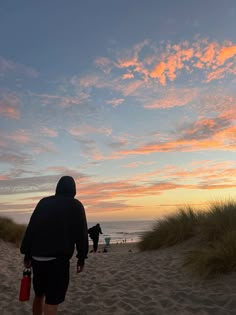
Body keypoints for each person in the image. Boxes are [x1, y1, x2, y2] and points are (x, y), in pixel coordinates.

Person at [20, 176, 88, 315]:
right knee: (52, 301)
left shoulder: (43, 202)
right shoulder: (76, 205)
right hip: (58, 262)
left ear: (57, 188)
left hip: (37, 258)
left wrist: (27, 253)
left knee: (39, 295)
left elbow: (32, 228)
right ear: (73, 190)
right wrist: (81, 257)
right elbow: (81, 234)